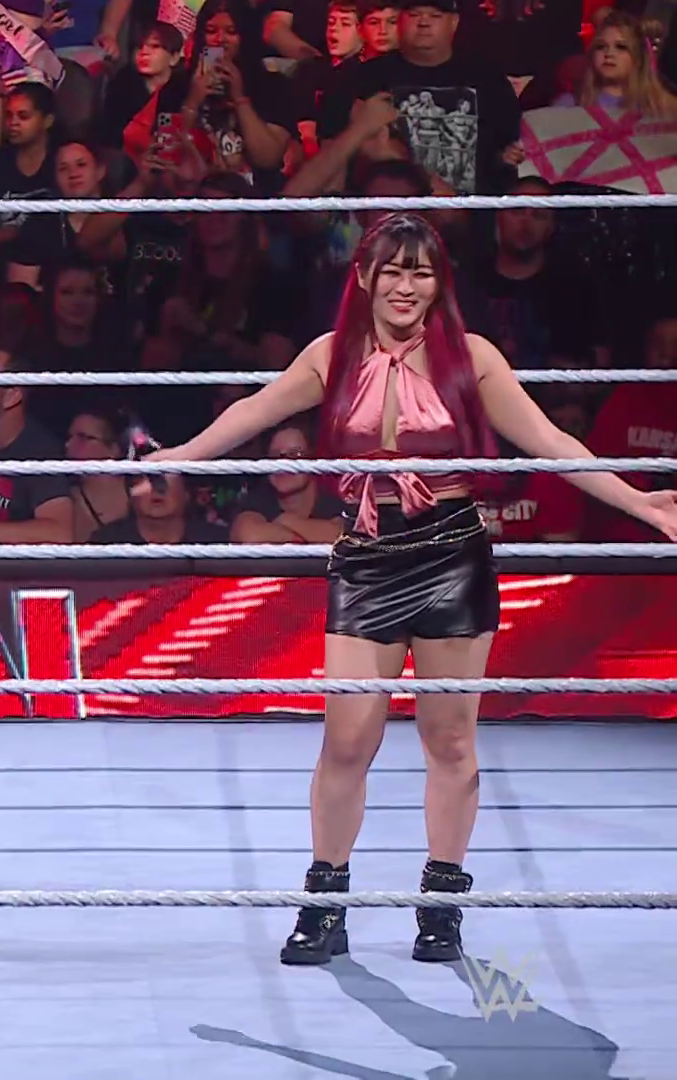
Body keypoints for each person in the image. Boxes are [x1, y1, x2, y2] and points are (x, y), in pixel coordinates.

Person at [141, 213, 677, 966]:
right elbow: (253, 410)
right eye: (392, 270)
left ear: (438, 284)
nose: (405, 285)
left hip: (452, 554)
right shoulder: (332, 355)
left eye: (420, 272)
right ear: (364, 278)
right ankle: (325, 901)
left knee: (449, 739)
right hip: (367, 557)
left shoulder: (472, 358)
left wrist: (640, 502)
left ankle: (442, 901)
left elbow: (551, 443)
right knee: (346, 739)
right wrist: (184, 456)